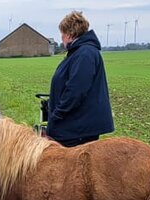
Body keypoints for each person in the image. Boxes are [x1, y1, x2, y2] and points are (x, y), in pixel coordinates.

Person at [46, 11, 114, 147]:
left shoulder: (85, 54)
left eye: (63, 34)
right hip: (75, 125)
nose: (61, 38)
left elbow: (76, 90)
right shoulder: (79, 52)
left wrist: (57, 115)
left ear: (70, 34)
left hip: (78, 129)